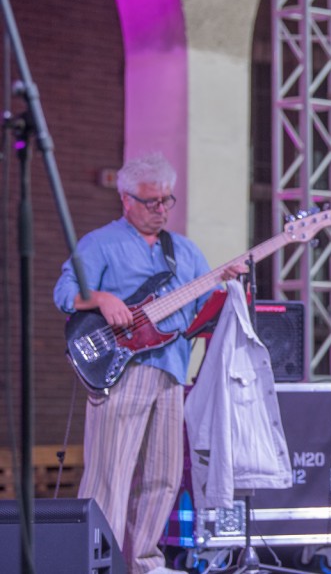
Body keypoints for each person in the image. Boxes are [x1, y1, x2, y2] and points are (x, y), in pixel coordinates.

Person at [54, 153, 244, 574]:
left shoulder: (185, 251)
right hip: (122, 371)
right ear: (126, 199)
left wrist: (228, 286)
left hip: (172, 369)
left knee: (163, 474)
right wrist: (102, 298)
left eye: (166, 200)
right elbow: (65, 292)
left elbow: (202, 313)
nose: (161, 209)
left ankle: (143, 561)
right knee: (110, 471)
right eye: (151, 201)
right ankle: (96, 562)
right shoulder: (101, 243)